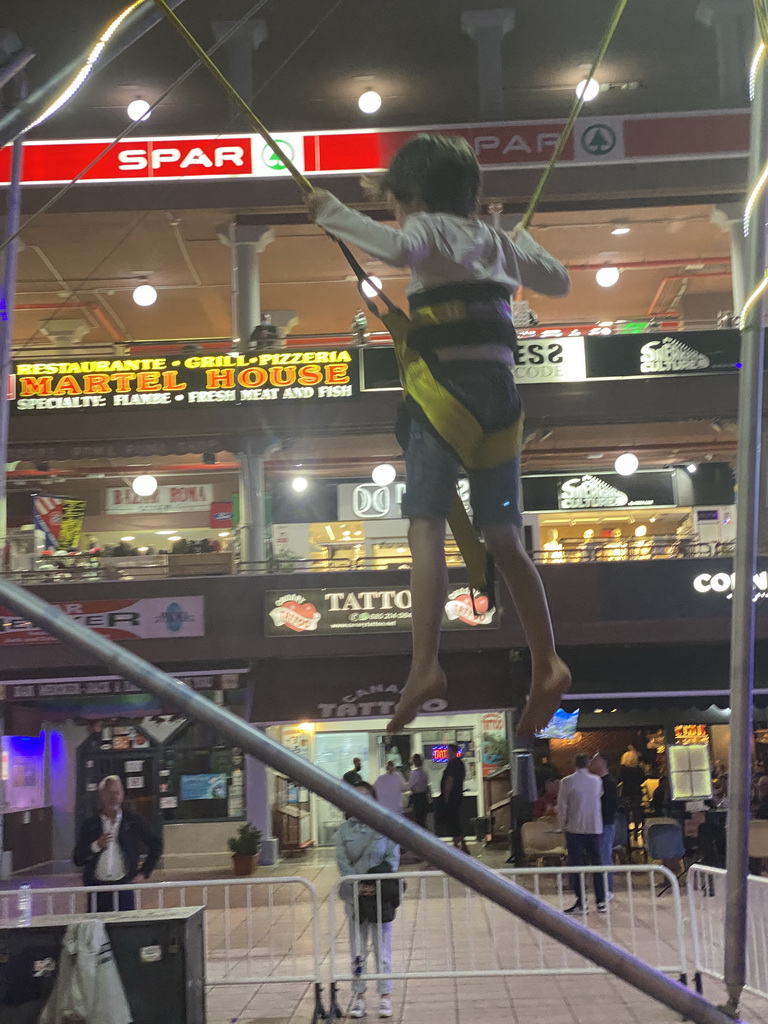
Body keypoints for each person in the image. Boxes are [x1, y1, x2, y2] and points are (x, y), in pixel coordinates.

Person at [306, 133, 571, 736]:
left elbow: (396, 248)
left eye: (397, 202)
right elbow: (558, 283)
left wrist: (330, 213)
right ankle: (548, 659)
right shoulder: (497, 244)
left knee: (424, 524)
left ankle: (425, 663)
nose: (398, 216)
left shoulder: (427, 230)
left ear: (415, 197)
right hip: (503, 409)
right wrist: (523, 245)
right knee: (504, 536)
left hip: (445, 400)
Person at [336, 781, 400, 1019]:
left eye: (366, 796)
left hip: (380, 896)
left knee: (382, 948)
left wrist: (373, 883)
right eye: (357, 796)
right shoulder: (344, 830)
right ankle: (359, 994)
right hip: (355, 898)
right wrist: (358, 884)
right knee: (357, 949)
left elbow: (391, 859)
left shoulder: (384, 826)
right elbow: (342, 863)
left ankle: (385, 995)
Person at [73, 775, 162, 911]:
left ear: (122, 795)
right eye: (109, 793)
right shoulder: (90, 824)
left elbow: (156, 845)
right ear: (102, 795)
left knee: (124, 928)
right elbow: (77, 858)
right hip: (97, 889)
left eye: (117, 792)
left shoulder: (132, 821)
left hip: (124, 887)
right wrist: (96, 846)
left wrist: (144, 872)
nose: (113, 797)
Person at [557, 753, 606, 914]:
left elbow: (563, 806)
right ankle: (601, 900)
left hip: (575, 828)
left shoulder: (567, 781)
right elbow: (598, 797)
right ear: (588, 764)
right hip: (594, 827)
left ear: (574, 764)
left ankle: (581, 901)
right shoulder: (597, 781)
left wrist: (562, 825)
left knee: (576, 865)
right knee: (597, 864)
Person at [590, 750, 619, 900]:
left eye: (596, 759)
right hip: (598, 824)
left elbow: (611, 806)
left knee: (604, 855)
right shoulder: (597, 781)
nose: (592, 762)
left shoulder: (609, 783)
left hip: (605, 824)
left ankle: (608, 888)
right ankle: (603, 887)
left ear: (603, 762)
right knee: (600, 856)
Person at [440, 743, 468, 853]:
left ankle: (458, 844)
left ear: (452, 752)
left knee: (453, 821)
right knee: (455, 820)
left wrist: (446, 795)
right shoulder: (460, 764)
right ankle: (459, 844)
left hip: (452, 797)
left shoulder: (452, 764)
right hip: (458, 795)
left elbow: (450, 780)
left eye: (448, 752)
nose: (447, 754)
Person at [408, 753, 431, 828]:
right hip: (424, 797)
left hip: (417, 797)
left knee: (418, 818)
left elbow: (410, 785)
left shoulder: (415, 773)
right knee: (423, 819)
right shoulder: (424, 772)